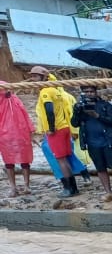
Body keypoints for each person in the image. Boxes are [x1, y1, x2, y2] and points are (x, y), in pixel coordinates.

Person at [71, 86, 112, 202]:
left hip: (107, 141)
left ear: (96, 93)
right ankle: (108, 193)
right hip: (92, 143)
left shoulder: (105, 105)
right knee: (100, 169)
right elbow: (74, 124)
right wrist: (77, 112)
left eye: (91, 91)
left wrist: (97, 116)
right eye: (86, 92)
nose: (89, 94)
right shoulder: (80, 106)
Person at [31, 66, 77, 197]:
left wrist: (51, 128)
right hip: (64, 127)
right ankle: (73, 188)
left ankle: (68, 189)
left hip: (56, 130)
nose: (33, 78)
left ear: (43, 77)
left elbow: (49, 110)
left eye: (36, 76)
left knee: (60, 159)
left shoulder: (45, 91)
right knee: (65, 159)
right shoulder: (55, 89)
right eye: (33, 76)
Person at [0, 82, 35, 196]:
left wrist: (30, 130)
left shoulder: (14, 99)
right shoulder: (13, 99)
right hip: (14, 133)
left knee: (13, 161)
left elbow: (24, 114)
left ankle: (17, 187)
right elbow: (26, 115)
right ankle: (23, 186)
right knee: (16, 161)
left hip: (14, 134)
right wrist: (30, 130)